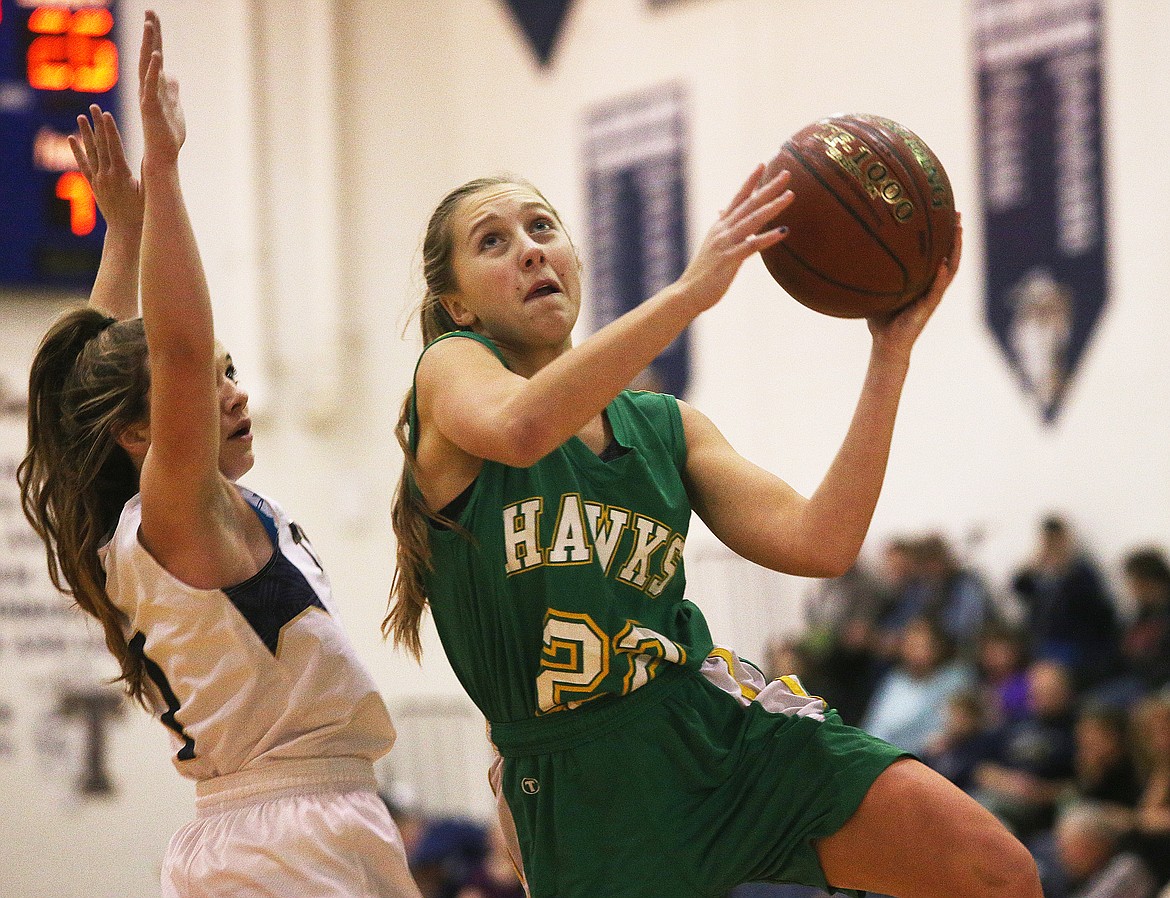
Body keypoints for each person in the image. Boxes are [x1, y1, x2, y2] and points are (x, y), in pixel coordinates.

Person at [383, 170, 1041, 898]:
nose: (531, 251)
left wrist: (890, 355)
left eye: (542, 228)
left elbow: (821, 541)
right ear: (457, 304)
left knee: (995, 870)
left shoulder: (667, 426)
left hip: (710, 712)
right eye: (494, 241)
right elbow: (523, 426)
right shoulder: (448, 373)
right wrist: (690, 293)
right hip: (582, 779)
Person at [17, 14, 420, 898]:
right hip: (281, 841)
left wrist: (121, 232)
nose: (231, 391)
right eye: (211, 381)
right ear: (140, 434)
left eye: (237, 371)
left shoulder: (163, 514)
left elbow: (113, 364)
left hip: (309, 823)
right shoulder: (171, 512)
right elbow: (175, 352)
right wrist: (164, 177)